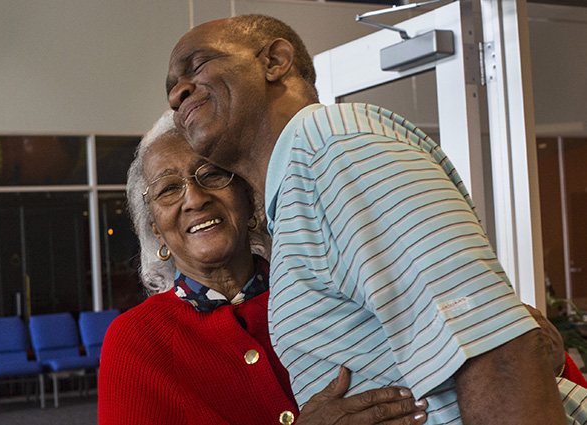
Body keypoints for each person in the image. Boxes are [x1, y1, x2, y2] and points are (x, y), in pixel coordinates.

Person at [165, 14, 587, 424]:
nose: (176, 93)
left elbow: (494, 350)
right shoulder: (301, 184)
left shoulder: (332, 149)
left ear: (274, 61)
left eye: (196, 66)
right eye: (170, 88)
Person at [97, 111, 430, 424]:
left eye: (212, 174)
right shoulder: (136, 341)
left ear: (247, 195)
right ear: (155, 228)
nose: (195, 199)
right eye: (169, 189)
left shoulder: (325, 288)